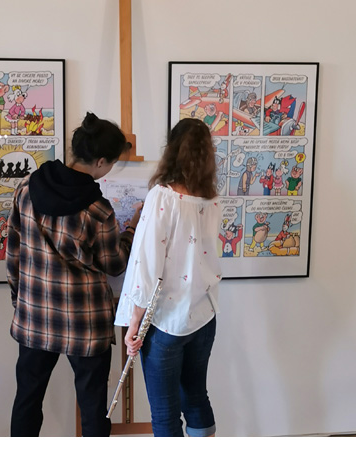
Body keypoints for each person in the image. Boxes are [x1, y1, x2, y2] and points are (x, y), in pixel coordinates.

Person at [6, 112, 141, 437]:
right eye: (112, 164)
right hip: (85, 323)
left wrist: (20, 302)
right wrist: (132, 229)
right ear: (100, 161)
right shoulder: (98, 209)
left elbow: (13, 254)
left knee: (27, 400)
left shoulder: (27, 188)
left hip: (35, 317)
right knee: (93, 409)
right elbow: (115, 264)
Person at [114, 118, 222, 437]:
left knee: (165, 412)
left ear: (172, 149)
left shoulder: (162, 196)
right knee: (196, 396)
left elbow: (147, 266)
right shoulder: (212, 199)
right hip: (204, 314)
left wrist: (134, 323)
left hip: (165, 322)